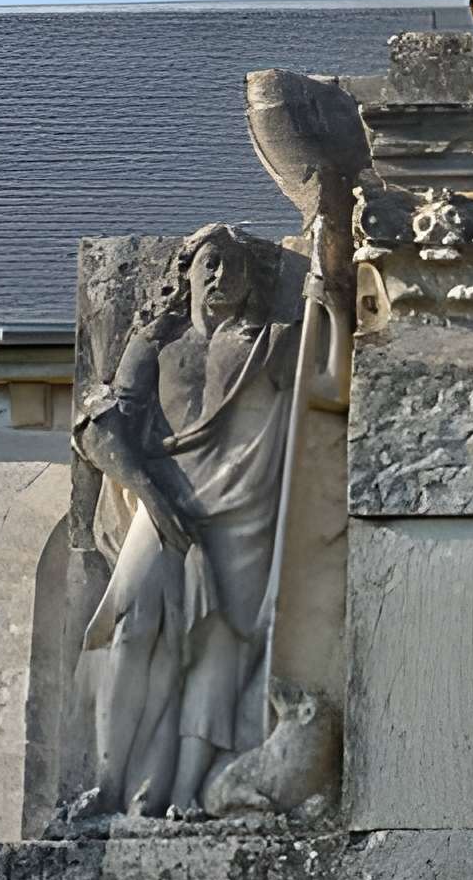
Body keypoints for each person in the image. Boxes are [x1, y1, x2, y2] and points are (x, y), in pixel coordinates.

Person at [69, 222, 344, 818]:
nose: (221, 276)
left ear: (250, 279)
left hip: (241, 512)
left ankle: (187, 793)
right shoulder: (156, 344)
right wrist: (149, 494)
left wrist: (329, 298)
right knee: (132, 629)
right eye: (209, 264)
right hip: (163, 503)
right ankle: (111, 783)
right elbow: (107, 426)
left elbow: (327, 384)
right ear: (186, 274)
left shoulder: (271, 342)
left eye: (233, 265)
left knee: (217, 653)